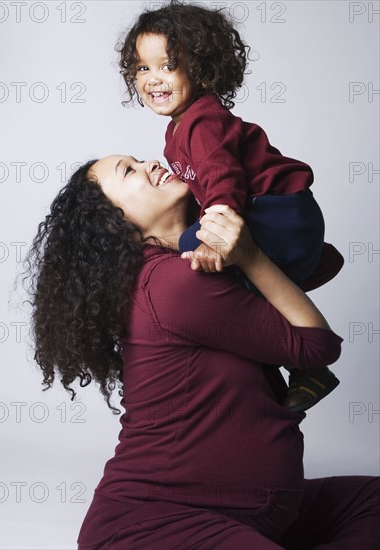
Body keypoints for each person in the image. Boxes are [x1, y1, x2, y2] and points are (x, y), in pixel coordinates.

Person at [20, 156, 379, 549]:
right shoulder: (169, 283)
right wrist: (252, 257)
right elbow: (315, 346)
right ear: (114, 219)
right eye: (128, 171)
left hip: (256, 512)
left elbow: (323, 261)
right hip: (157, 524)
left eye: (140, 159)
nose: (149, 164)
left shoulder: (192, 266)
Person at [117, 0, 345, 413]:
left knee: (192, 245)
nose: (153, 79)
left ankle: (306, 339)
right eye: (142, 68)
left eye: (168, 66)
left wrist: (212, 239)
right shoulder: (178, 130)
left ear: (203, 71)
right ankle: (307, 271)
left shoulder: (203, 122)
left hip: (280, 210)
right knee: (203, 251)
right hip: (284, 215)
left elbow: (223, 181)